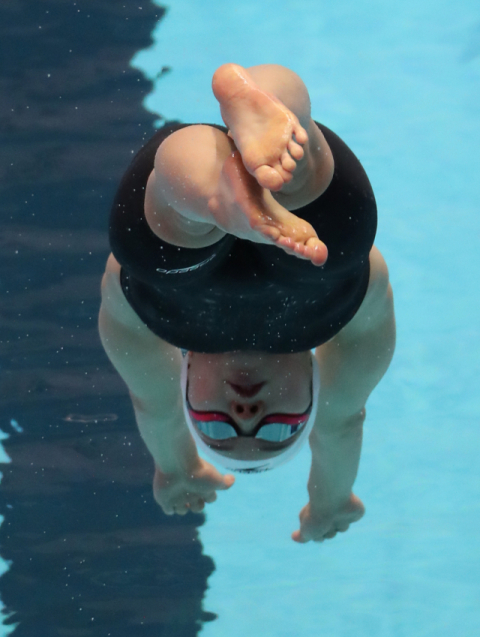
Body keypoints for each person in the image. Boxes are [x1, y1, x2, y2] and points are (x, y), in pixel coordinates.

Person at [98, 63, 396, 543]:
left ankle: (217, 195)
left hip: (179, 254)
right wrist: (331, 499)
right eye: (277, 431)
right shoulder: (339, 327)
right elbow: (342, 422)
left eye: (217, 428)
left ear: (185, 382)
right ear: (317, 386)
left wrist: (176, 468)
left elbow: (153, 404)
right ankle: (267, 112)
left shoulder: (153, 329)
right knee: (305, 181)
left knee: (163, 236)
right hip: (314, 257)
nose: (245, 414)